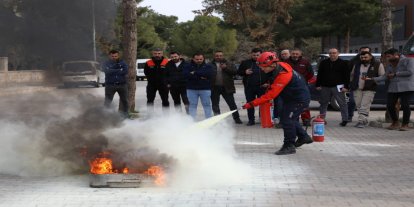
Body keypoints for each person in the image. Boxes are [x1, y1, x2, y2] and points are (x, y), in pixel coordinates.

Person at [242, 52, 313, 155]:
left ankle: (289, 146)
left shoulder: (284, 75)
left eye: (263, 67)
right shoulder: (280, 66)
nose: (262, 69)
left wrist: (251, 104)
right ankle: (304, 137)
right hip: (291, 98)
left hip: (299, 100)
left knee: (287, 120)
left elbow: (270, 95)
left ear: (271, 64)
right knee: (288, 118)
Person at [374, 48, 414, 131]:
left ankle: (405, 124)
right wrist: (372, 79)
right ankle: (395, 123)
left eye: (389, 56)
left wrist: (396, 74)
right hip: (393, 87)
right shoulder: (390, 64)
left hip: (406, 87)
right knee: (390, 105)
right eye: (386, 57)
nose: (387, 58)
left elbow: (410, 72)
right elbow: (385, 76)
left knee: (405, 105)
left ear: (396, 55)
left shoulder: (409, 60)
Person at [349, 51, 385, 128]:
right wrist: (352, 83)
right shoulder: (357, 64)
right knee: (359, 105)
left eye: (366, 57)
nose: (364, 59)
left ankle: (361, 122)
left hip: (369, 88)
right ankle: (364, 120)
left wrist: (372, 79)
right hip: (357, 88)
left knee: (364, 105)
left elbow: (382, 76)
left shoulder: (378, 64)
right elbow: (352, 75)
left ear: (370, 57)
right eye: (362, 57)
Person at [315, 48, 350, 126]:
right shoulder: (324, 63)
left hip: (339, 86)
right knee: (323, 103)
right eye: (330, 53)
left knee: (342, 103)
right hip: (325, 86)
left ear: (338, 53)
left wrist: (346, 86)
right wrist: (318, 84)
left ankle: (345, 119)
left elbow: (347, 76)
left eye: (334, 53)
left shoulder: (343, 63)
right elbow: (320, 74)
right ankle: (322, 119)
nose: (332, 54)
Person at [237, 48, 269, 126]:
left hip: (262, 87)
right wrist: (245, 72)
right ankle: (251, 120)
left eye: (257, 55)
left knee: (262, 103)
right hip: (249, 87)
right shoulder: (245, 63)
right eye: (254, 55)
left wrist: (268, 82)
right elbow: (238, 72)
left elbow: (270, 73)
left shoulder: (266, 62)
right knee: (250, 103)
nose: (255, 56)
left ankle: (262, 119)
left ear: (261, 54)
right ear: (251, 54)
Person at [211, 50, 242, 124]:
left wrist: (225, 68)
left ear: (223, 56)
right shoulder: (210, 64)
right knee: (215, 104)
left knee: (232, 104)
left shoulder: (229, 63)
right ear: (214, 56)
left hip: (227, 87)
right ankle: (217, 119)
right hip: (214, 87)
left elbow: (235, 73)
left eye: (220, 55)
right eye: (217, 56)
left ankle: (237, 119)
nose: (219, 57)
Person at [285, 48, 314, 126]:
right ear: (291, 54)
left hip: (303, 86)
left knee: (304, 103)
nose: (295, 55)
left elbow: (311, 73)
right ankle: (294, 119)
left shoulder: (305, 62)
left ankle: (306, 119)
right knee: (292, 104)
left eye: (297, 54)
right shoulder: (286, 62)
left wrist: (304, 80)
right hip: (290, 86)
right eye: (293, 53)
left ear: (300, 54)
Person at [183, 53, 214, 120]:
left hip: (205, 89)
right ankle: (191, 121)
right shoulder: (187, 66)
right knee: (192, 105)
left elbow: (209, 75)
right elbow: (185, 75)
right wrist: (201, 75)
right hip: (191, 89)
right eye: (197, 59)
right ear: (193, 59)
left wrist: (194, 73)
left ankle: (209, 120)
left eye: (201, 59)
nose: (199, 60)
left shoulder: (208, 66)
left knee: (207, 105)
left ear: (203, 59)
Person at [347, 46, 372, 122]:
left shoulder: (373, 61)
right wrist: (349, 83)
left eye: (366, 52)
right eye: (362, 52)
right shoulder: (354, 61)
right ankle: (349, 116)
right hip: (355, 85)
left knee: (365, 103)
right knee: (352, 101)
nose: (364, 53)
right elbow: (349, 73)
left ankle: (363, 119)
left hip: (368, 86)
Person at [103, 50, 129, 117]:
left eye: (115, 56)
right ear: (109, 56)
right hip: (110, 85)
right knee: (107, 102)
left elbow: (125, 71)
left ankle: (126, 115)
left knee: (125, 101)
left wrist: (112, 69)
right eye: (112, 56)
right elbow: (107, 71)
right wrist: (119, 69)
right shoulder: (106, 63)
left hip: (122, 85)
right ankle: (105, 116)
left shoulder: (122, 62)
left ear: (118, 56)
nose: (114, 57)